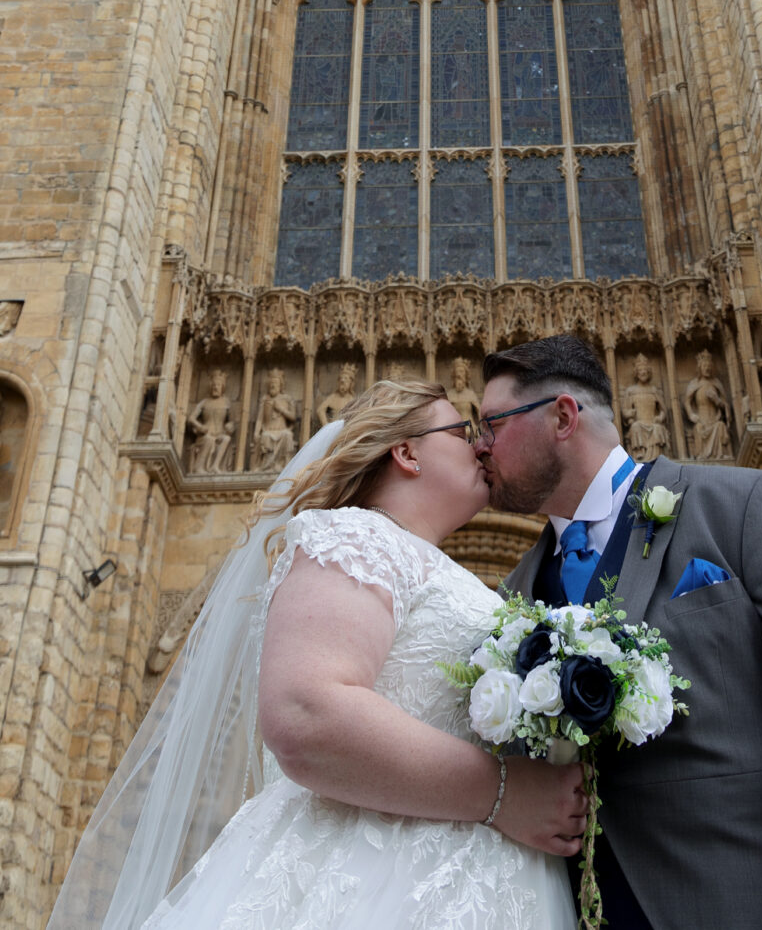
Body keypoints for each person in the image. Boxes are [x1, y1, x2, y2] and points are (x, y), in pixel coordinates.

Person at [47, 380, 582, 930]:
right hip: (375, 878)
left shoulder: (426, 563)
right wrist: (503, 792)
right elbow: (307, 709)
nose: (480, 446)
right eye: (462, 431)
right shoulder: (357, 538)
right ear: (406, 452)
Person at [480, 334, 762, 930]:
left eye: (491, 424)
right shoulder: (511, 596)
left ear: (562, 416)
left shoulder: (738, 508)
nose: (479, 447)